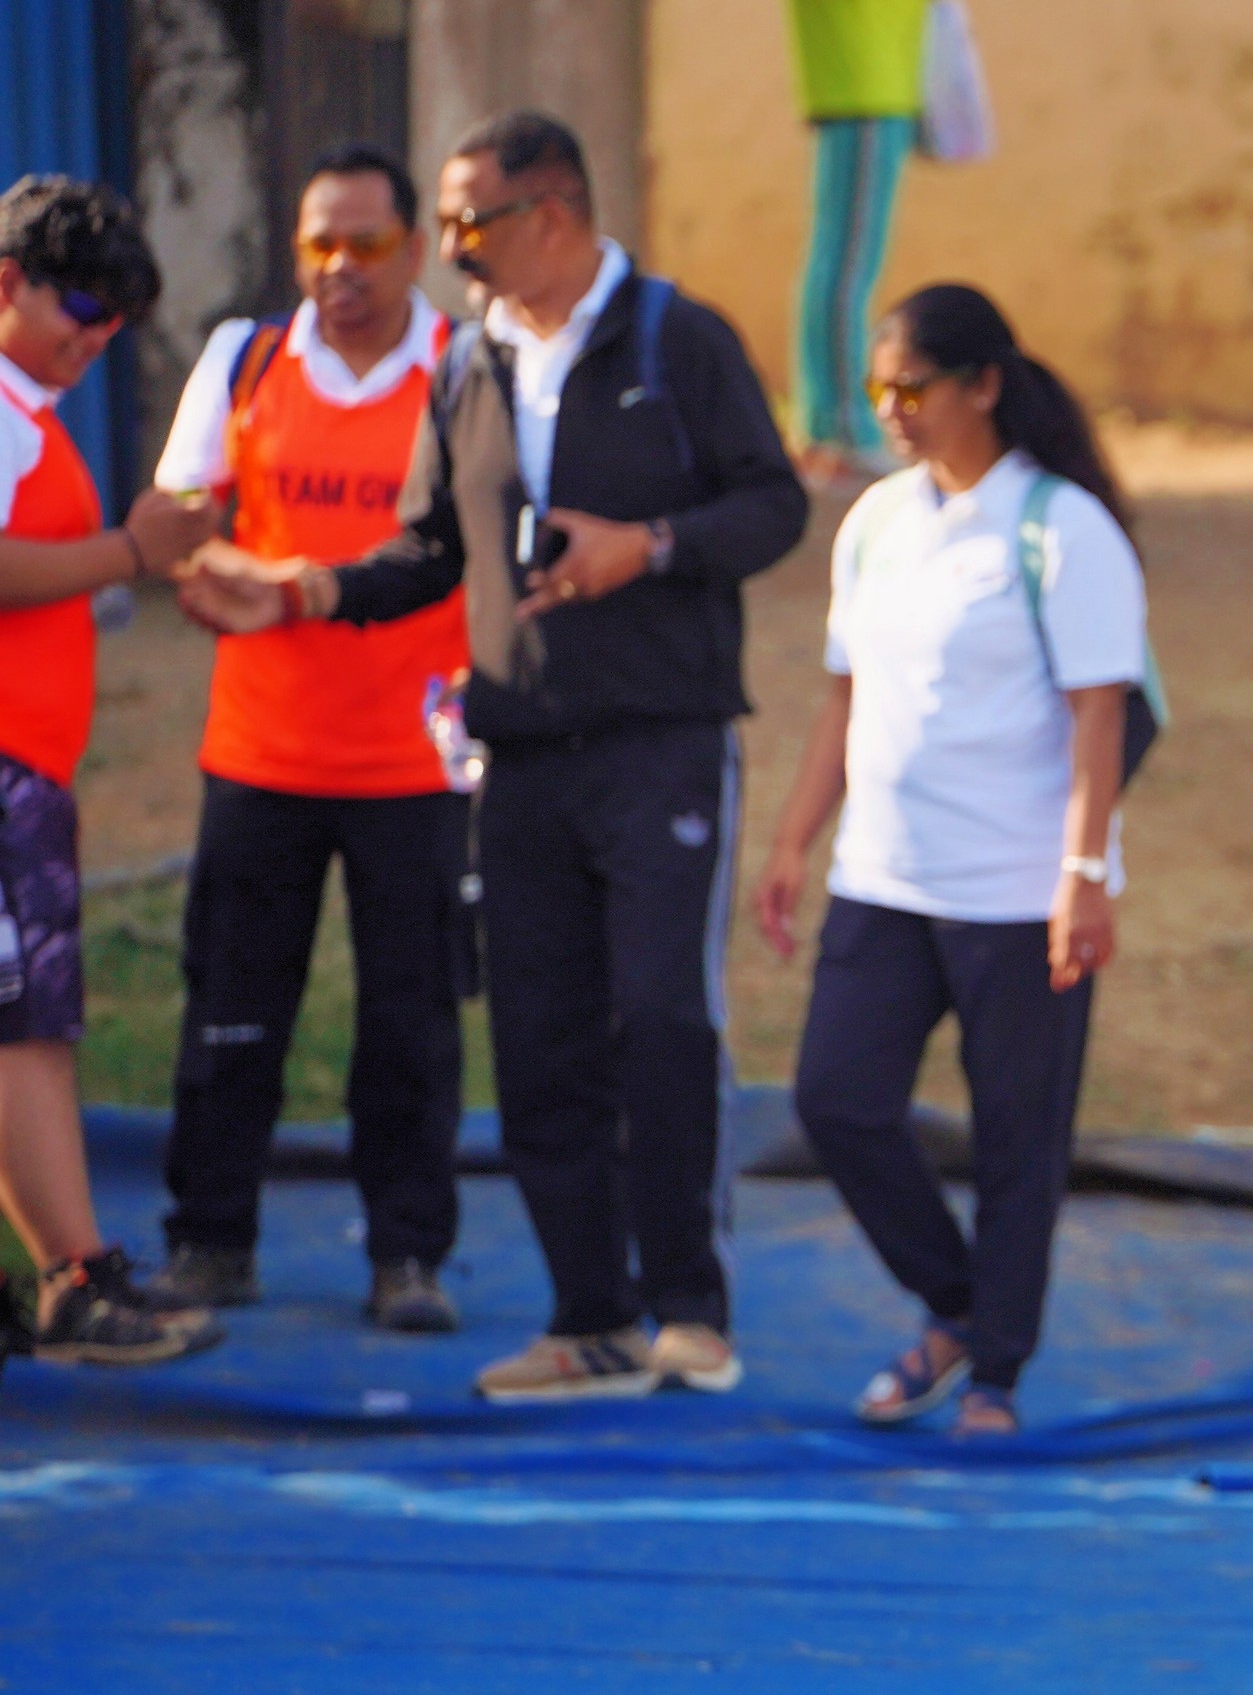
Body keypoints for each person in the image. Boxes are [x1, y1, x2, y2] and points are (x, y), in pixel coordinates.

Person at [184, 111, 808, 1404]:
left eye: (470, 223)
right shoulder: (469, 362)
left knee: (660, 1018)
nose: (454, 249)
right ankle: (591, 1319)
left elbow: (774, 503)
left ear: (554, 214)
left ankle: (689, 1309)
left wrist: (649, 548)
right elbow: (429, 547)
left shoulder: (675, 340)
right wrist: (302, 591)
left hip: (659, 743)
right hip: (513, 753)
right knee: (537, 1040)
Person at [753, 284, 1148, 1443]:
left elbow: (1100, 714)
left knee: (1019, 1137)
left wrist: (1082, 874)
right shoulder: (877, 520)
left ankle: (994, 1379)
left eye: (914, 388)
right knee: (836, 1100)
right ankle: (960, 1308)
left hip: (1019, 892)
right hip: (883, 876)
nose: (893, 411)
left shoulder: (1061, 527)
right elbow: (845, 697)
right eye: (878, 390)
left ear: (984, 386)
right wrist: (794, 838)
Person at [134, 144, 469, 1334]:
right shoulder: (247, 358)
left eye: (366, 244)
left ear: (414, 252)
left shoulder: (465, 368)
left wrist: (287, 584)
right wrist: (210, 568)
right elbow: (178, 521)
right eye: (318, 245)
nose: (340, 269)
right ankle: (209, 1242)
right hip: (262, 752)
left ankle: (407, 1258)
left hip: (415, 759)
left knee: (412, 1027)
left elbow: (480, 544)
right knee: (230, 1012)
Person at [0, 174, 220, 1362]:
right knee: (22, 1029)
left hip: (26, 768)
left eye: (113, 322)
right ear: (7, 283)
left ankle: (64, 1272)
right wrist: (130, 550)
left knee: (29, 1022)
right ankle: (72, 1278)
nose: (93, 340)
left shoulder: (25, 410)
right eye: (79, 309)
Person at [776, 0, 976, 480]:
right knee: (846, 264)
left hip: (866, 78)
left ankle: (828, 421)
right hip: (861, 80)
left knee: (840, 259)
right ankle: (841, 426)